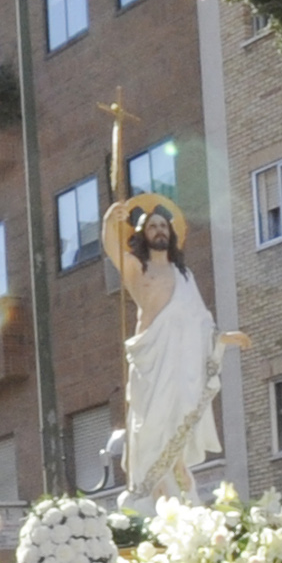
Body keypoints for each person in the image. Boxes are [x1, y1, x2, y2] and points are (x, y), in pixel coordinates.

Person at [106, 194, 237, 506]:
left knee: (177, 419)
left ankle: (177, 476)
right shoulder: (139, 270)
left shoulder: (185, 275)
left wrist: (222, 339)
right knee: (149, 425)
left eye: (163, 225)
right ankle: (152, 487)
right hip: (151, 362)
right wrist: (110, 221)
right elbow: (113, 248)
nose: (159, 230)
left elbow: (200, 320)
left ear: (172, 232)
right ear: (143, 234)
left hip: (180, 363)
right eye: (152, 226)